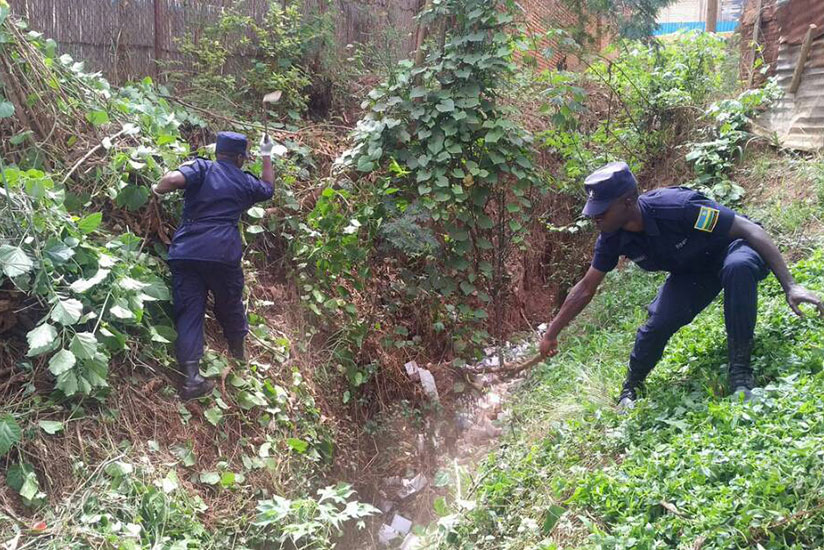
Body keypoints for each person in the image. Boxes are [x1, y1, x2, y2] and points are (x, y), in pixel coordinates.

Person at [538, 161, 824, 407]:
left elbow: (749, 229)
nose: (594, 217)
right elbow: (586, 287)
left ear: (627, 202)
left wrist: (790, 285)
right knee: (659, 322)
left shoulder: (678, 208)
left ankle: (740, 372)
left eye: (601, 210)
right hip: (693, 272)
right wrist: (551, 333)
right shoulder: (612, 237)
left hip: (733, 249)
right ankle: (631, 387)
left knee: (737, 268)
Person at [152, 131, 276, 400]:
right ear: (241, 158)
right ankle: (238, 353)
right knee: (229, 303)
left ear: (217, 152)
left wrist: (157, 189)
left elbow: (172, 179)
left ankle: (192, 378)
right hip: (222, 253)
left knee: (189, 311)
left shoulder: (202, 168)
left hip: (187, 253)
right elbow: (268, 189)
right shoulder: (245, 182)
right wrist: (267, 155)